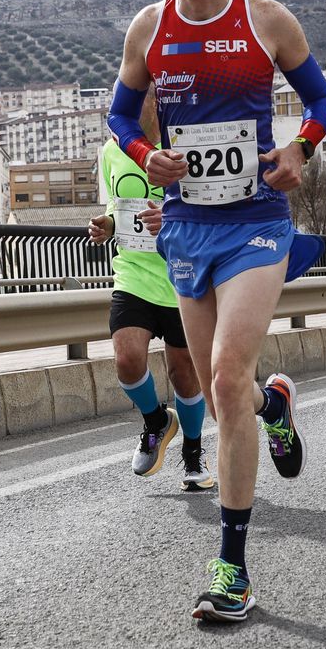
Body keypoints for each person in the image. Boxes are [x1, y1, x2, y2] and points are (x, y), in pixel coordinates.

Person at [108, 0, 326, 622]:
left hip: (257, 223)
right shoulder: (149, 27)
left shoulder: (265, 20)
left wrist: (301, 147)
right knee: (217, 380)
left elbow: (320, 100)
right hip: (186, 224)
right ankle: (275, 403)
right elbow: (117, 115)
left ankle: (232, 567)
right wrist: (149, 152)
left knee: (225, 373)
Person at [87, 93, 212, 492]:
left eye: (147, 94)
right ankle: (158, 421)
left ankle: (193, 454)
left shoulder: (184, 146)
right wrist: (106, 225)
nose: (138, 103)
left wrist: (172, 218)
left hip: (181, 275)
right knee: (126, 359)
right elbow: (116, 206)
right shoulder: (111, 151)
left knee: (183, 374)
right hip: (133, 274)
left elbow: (209, 210)